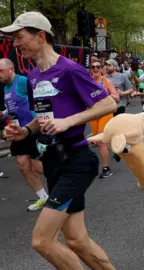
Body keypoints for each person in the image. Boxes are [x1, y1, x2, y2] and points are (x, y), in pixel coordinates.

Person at [1, 11, 117, 269]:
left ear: (40, 36)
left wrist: (69, 121)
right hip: (53, 161)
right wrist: (26, 131)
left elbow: (108, 102)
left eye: (20, 38)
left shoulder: (69, 69)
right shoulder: (32, 77)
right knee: (76, 240)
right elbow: (39, 117)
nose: (16, 45)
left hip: (76, 161)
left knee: (42, 241)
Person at [0, 58, 48, 211]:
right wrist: (3, 114)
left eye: (1, 71)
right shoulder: (6, 88)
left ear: (11, 70)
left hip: (33, 129)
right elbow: (13, 107)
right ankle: (43, 197)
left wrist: (42, 122)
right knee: (22, 164)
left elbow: (39, 100)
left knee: (40, 166)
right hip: (18, 131)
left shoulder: (22, 81)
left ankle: (63, 182)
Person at [89, 59, 120, 178]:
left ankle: (106, 168)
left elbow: (116, 98)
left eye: (98, 67)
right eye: (93, 67)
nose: (95, 69)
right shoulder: (88, 82)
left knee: (101, 141)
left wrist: (105, 93)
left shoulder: (106, 81)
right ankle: (120, 148)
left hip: (106, 113)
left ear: (102, 69)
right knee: (99, 141)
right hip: (93, 114)